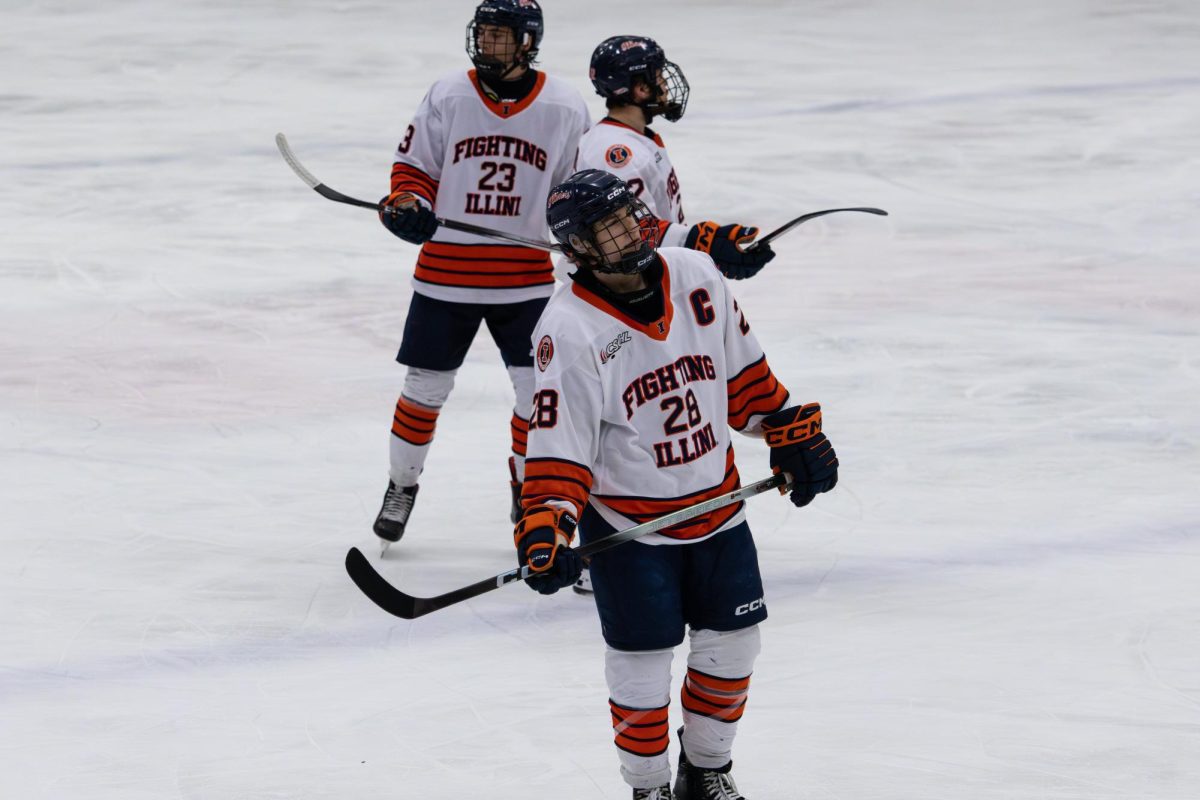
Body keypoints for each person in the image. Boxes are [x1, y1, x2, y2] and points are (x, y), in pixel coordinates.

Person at [512, 169, 839, 800]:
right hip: (633, 529)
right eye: (607, 227)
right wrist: (549, 524)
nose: (630, 228)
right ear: (577, 250)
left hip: (719, 510)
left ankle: (707, 770)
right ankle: (649, 787)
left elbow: (745, 381)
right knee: (640, 669)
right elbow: (561, 449)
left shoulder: (696, 276)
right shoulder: (567, 329)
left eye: (629, 214)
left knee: (735, 645)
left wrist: (788, 431)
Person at [372, 0, 589, 548]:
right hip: (445, 277)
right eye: (483, 33)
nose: (486, 44)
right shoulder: (448, 93)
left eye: (499, 35)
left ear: (526, 42)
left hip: (526, 281)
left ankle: (527, 488)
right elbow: (413, 167)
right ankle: (402, 485)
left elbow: (575, 186)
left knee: (536, 394)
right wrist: (407, 203)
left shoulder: (563, 106)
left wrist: (579, 239)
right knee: (424, 388)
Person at [567, 35, 777, 594]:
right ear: (635, 87)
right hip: (614, 311)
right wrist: (706, 240)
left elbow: (644, 231)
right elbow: (620, 231)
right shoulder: (616, 151)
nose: (664, 84)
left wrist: (706, 249)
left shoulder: (636, 140)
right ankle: (594, 550)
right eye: (655, 76)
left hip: (645, 294)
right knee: (607, 425)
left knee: (651, 420)